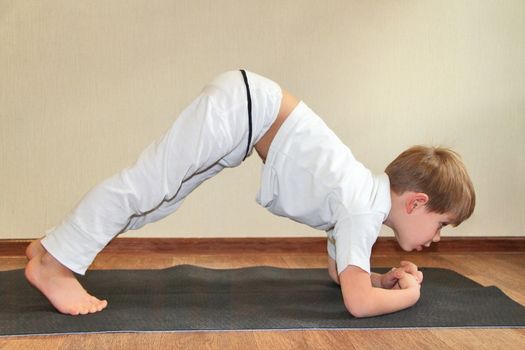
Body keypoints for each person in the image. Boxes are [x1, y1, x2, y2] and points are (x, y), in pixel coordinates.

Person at [24, 70, 476, 317]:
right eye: (442, 225)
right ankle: (56, 268)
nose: (436, 238)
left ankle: (52, 247)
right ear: (416, 202)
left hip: (244, 118)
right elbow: (357, 304)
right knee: (147, 185)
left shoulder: (361, 199)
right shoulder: (362, 206)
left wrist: (380, 281)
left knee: (159, 199)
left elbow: (344, 277)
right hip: (244, 109)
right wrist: (409, 295)